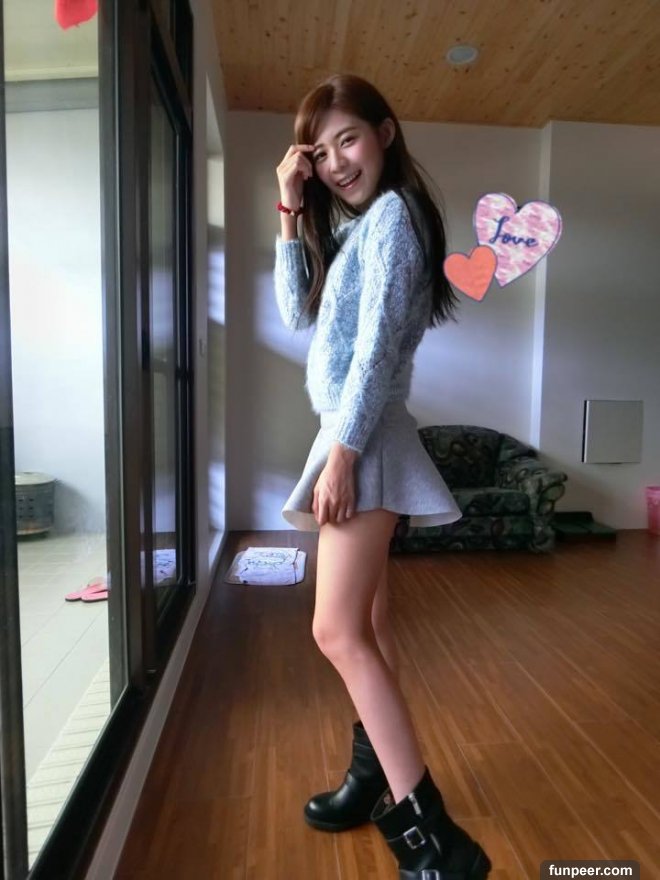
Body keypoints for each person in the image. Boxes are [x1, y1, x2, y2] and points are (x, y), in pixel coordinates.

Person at [273, 73, 492, 880]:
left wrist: (343, 454)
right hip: (356, 435)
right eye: (321, 151)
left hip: (362, 439)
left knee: (335, 632)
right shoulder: (360, 229)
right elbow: (294, 313)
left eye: (350, 140)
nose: (337, 162)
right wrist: (289, 208)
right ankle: (372, 779)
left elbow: (373, 354)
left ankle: (437, 845)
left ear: (386, 134)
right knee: (368, 625)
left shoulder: (395, 216)